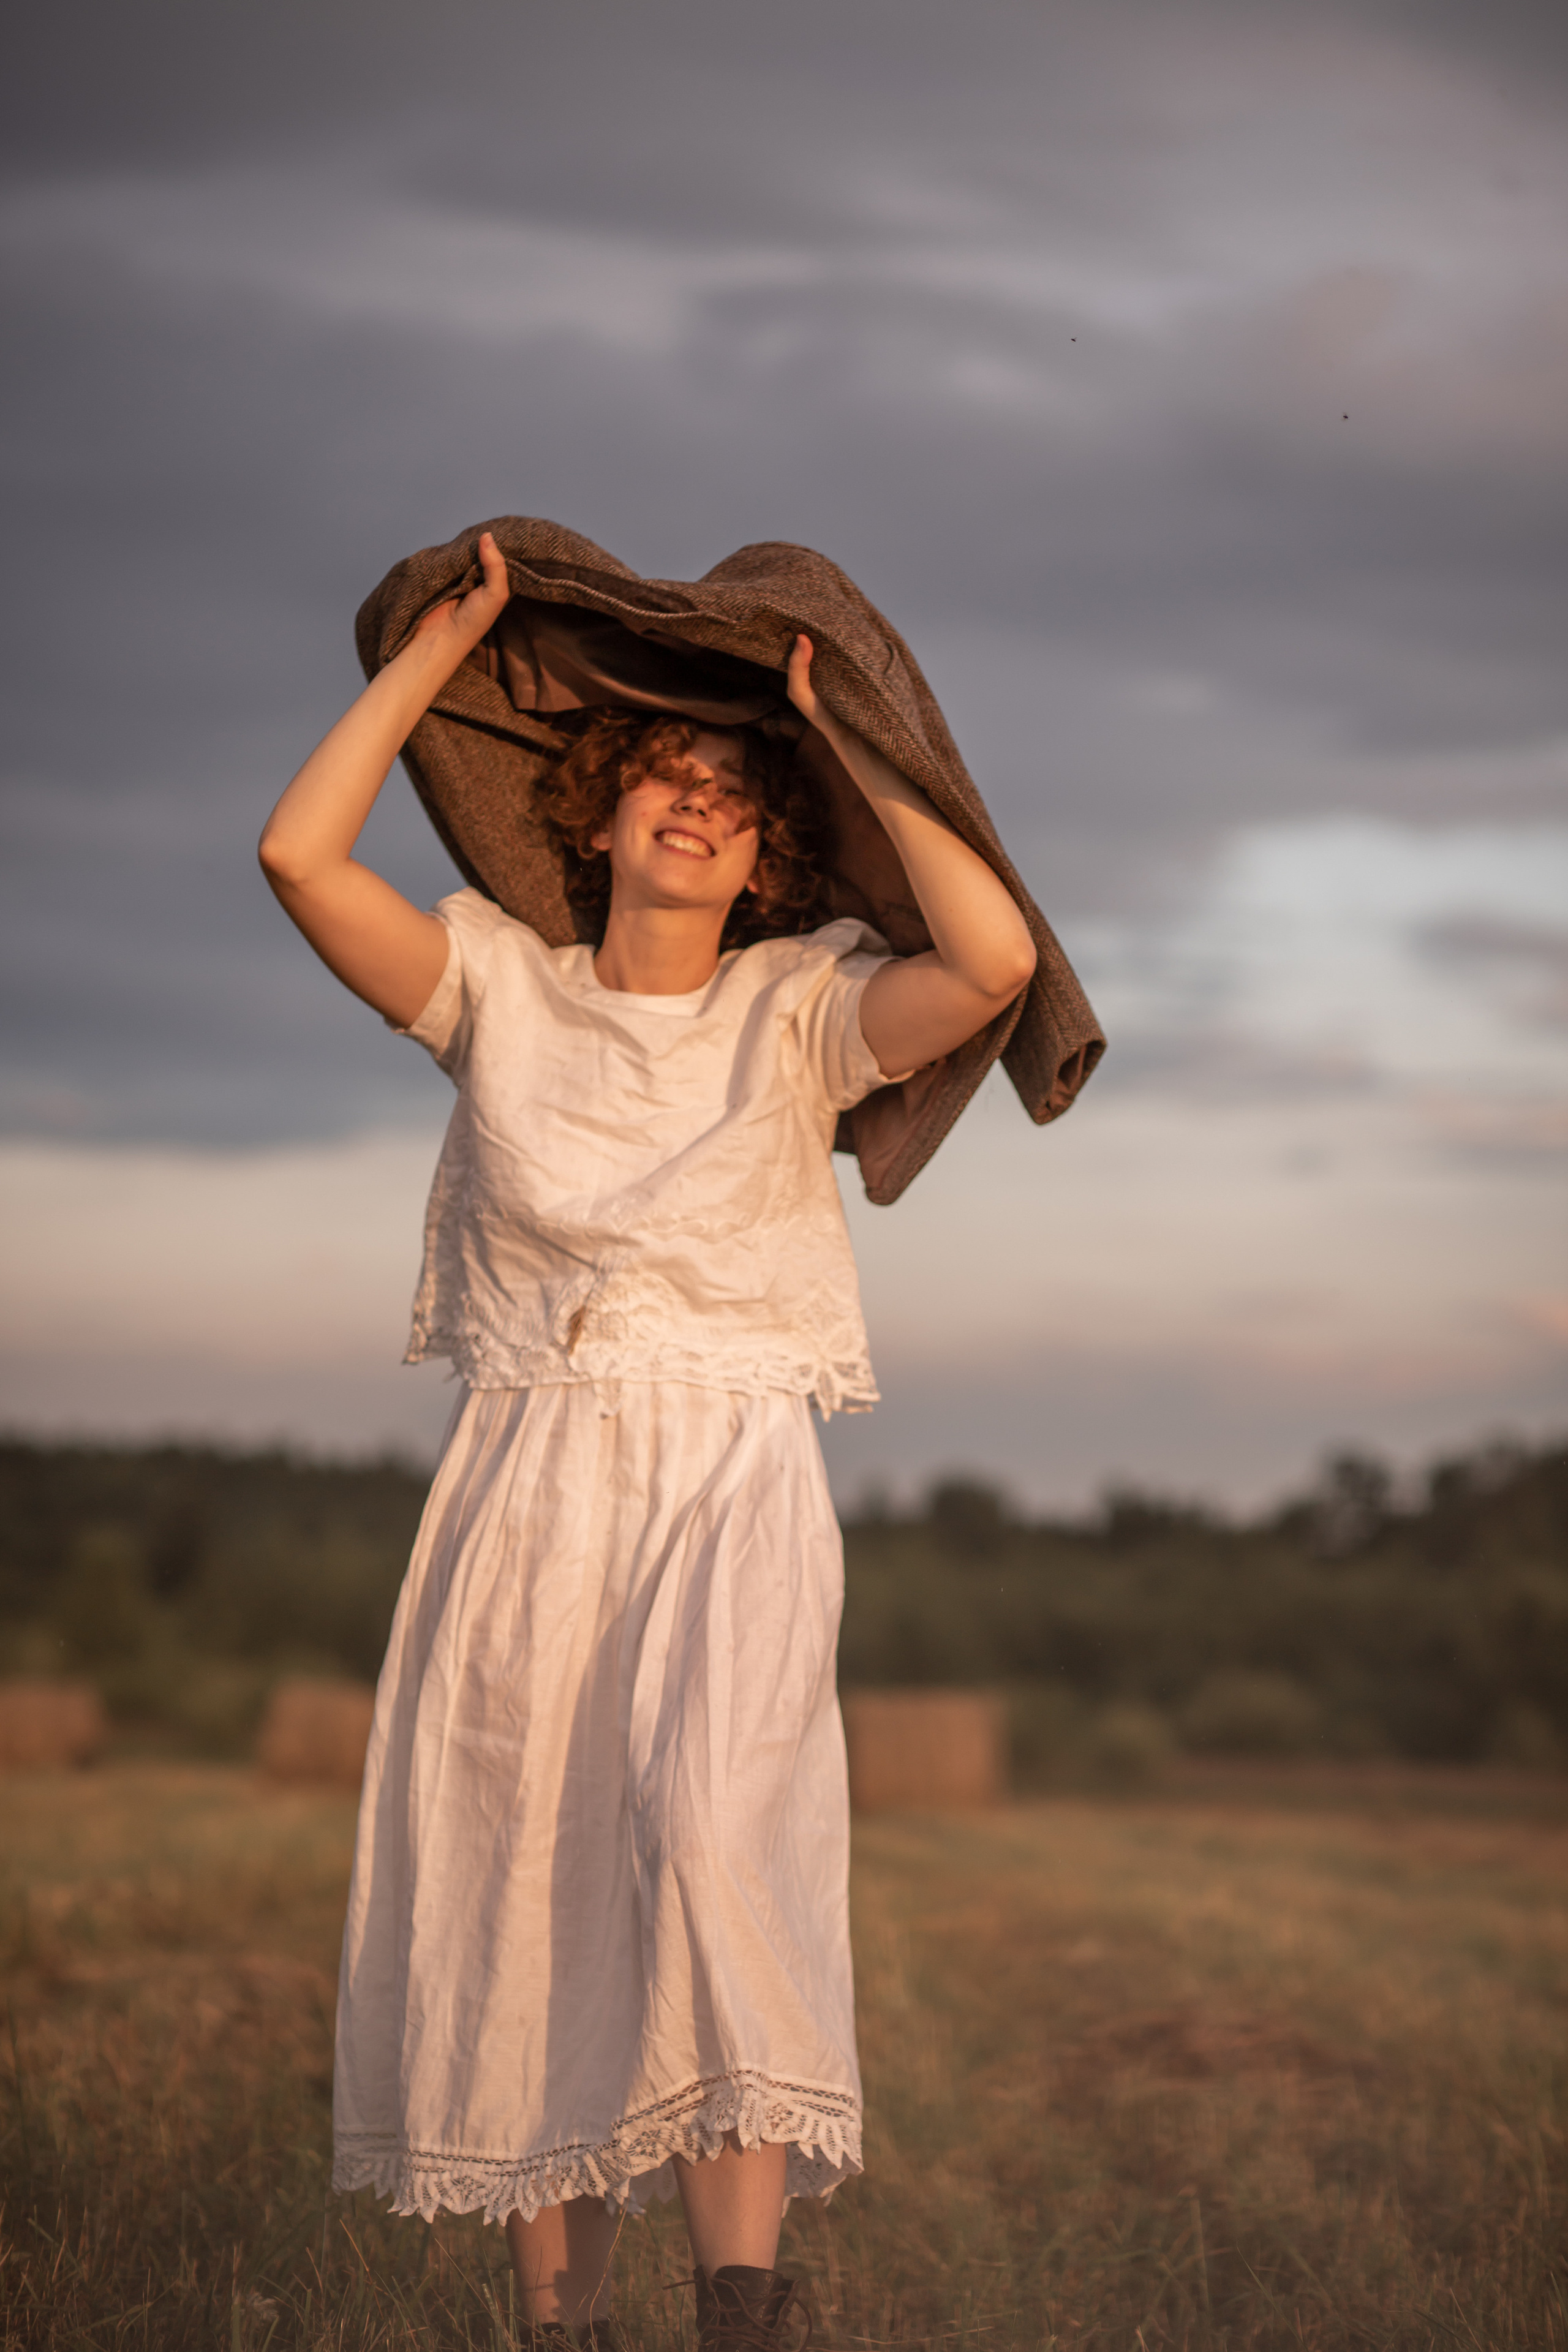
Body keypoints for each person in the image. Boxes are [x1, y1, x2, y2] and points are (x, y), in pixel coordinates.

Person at [259, 530, 1036, 2349]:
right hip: (530, 1480)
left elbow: (990, 958)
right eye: (666, 783)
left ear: (765, 860)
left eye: (729, 799)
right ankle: (563, 2329)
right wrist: (439, 650)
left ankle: (743, 2309)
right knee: (522, 1872)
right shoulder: (493, 993)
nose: (696, 807)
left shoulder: (801, 1015)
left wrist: (839, 743)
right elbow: (301, 854)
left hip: (730, 1475)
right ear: (599, 820)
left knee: (715, 1835)